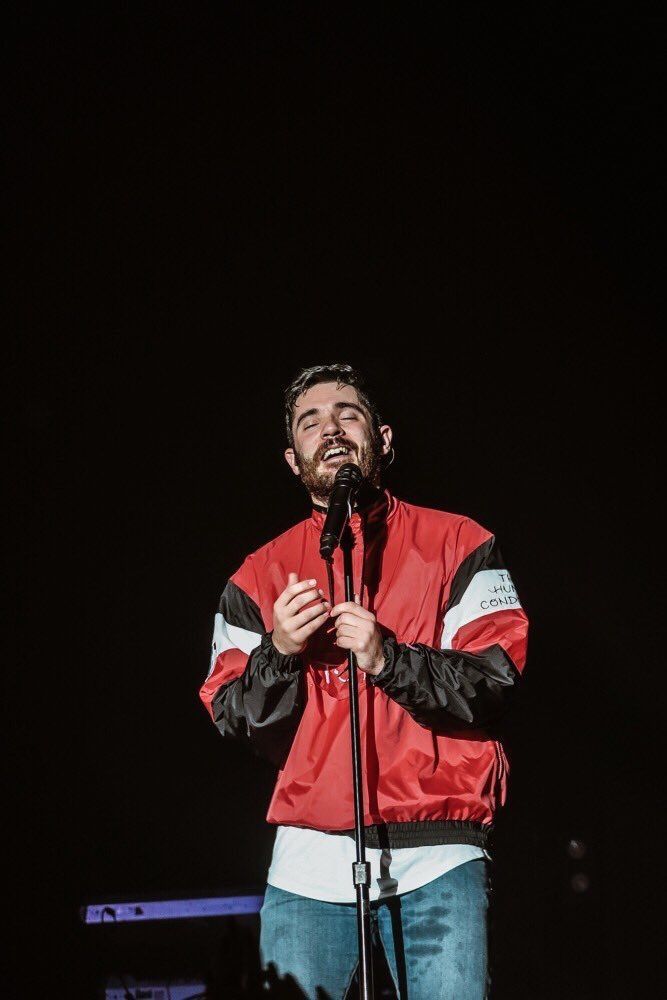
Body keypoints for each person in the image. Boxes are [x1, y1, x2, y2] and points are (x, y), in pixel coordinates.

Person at [200, 363, 528, 999]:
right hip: (307, 869)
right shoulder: (255, 576)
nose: (330, 430)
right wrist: (281, 650)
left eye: (347, 415)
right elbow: (230, 713)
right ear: (293, 461)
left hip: (438, 858)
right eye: (310, 422)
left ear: (383, 439)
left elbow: (496, 677)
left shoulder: (460, 542)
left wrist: (389, 658)